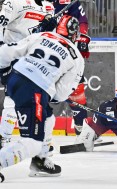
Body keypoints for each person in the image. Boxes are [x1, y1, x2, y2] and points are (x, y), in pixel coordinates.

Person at [0, 15, 84, 181]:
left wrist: (4, 74)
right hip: (35, 91)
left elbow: (6, 51)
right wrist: (50, 95)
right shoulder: (77, 58)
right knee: (32, 143)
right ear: (74, 34)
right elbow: (62, 93)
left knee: (48, 116)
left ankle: (41, 160)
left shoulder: (42, 35)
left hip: (16, 80)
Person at [0, 0, 54, 153]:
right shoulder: (14, 2)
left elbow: (48, 36)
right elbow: (0, 23)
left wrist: (50, 29)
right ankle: (3, 138)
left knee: (40, 99)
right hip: (13, 56)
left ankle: (41, 146)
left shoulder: (48, 6)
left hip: (35, 60)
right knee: (12, 98)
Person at [52, 0, 91, 136]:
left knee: (77, 87)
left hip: (65, 48)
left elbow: (82, 20)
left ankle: (81, 127)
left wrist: (83, 37)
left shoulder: (65, 1)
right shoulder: (28, 4)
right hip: (41, 49)